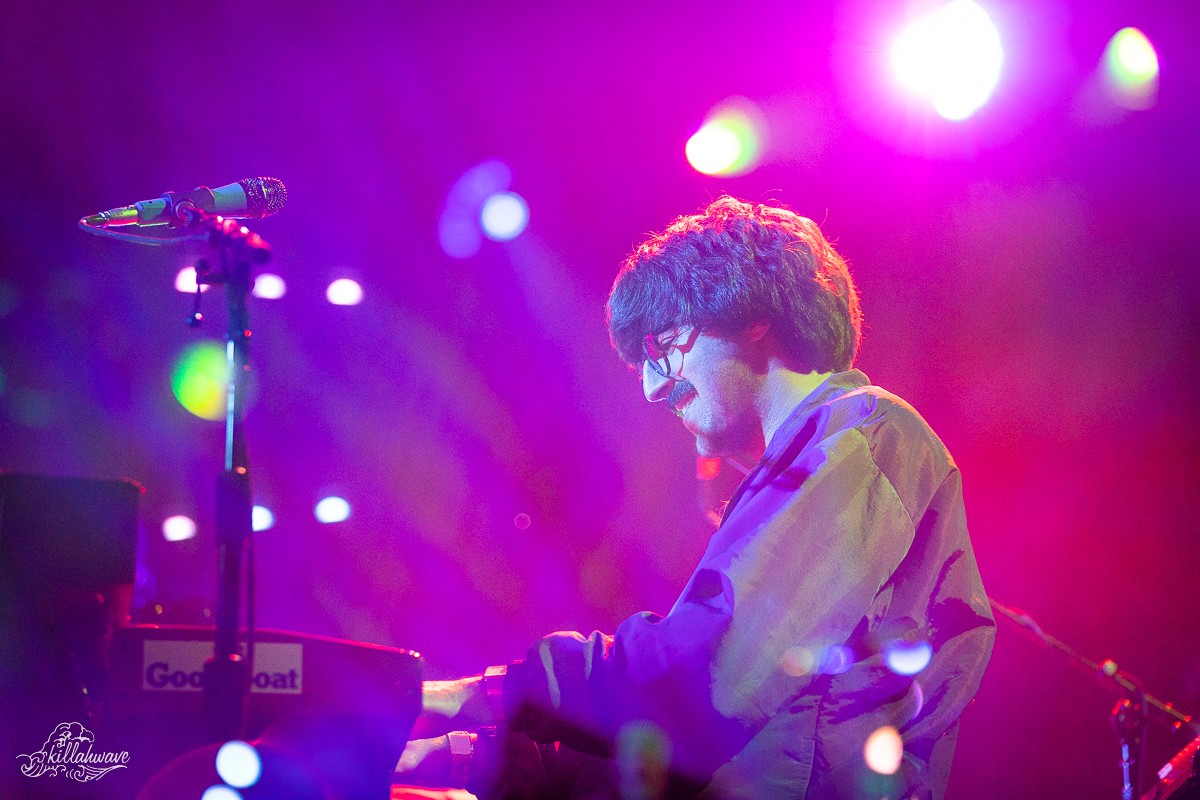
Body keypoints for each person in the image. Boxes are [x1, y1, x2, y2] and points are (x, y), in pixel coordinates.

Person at [395, 197, 995, 800]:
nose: (652, 389)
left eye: (663, 344)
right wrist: (465, 756)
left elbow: (711, 678)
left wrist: (488, 695)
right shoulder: (819, 460)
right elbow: (691, 744)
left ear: (750, 312)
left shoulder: (864, 434)